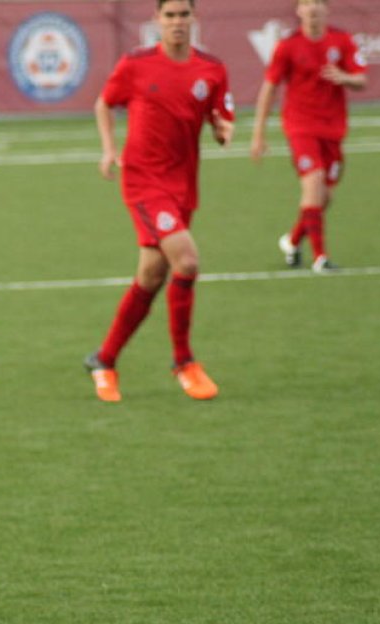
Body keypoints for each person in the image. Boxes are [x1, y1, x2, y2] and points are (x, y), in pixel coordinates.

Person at [84, 0, 234, 403]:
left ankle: (104, 358)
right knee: (187, 261)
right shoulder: (135, 64)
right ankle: (184, 362)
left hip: (183, 185)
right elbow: (104, 103)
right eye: (169, 16)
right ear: (157, 21)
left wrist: (222, 130)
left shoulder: (212, 69)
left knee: (151, 276)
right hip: (144, 181)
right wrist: (107, 149)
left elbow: (222, 118)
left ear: (194, 19)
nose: (177, 23)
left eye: (184, 15)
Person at [250, 0, 367, 273]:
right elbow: (269, 88)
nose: (312, 9)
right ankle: (320, 257)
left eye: (317, 3)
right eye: (306, 4)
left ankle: (292, 241)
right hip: (300, 126)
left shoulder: (342, 40)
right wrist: (258, 134)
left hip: (333, 128)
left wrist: (344, 77)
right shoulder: (288, 45)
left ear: (326, 8)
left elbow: (362, 79)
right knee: (313, 185)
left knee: (324, 197)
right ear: (299, 10)